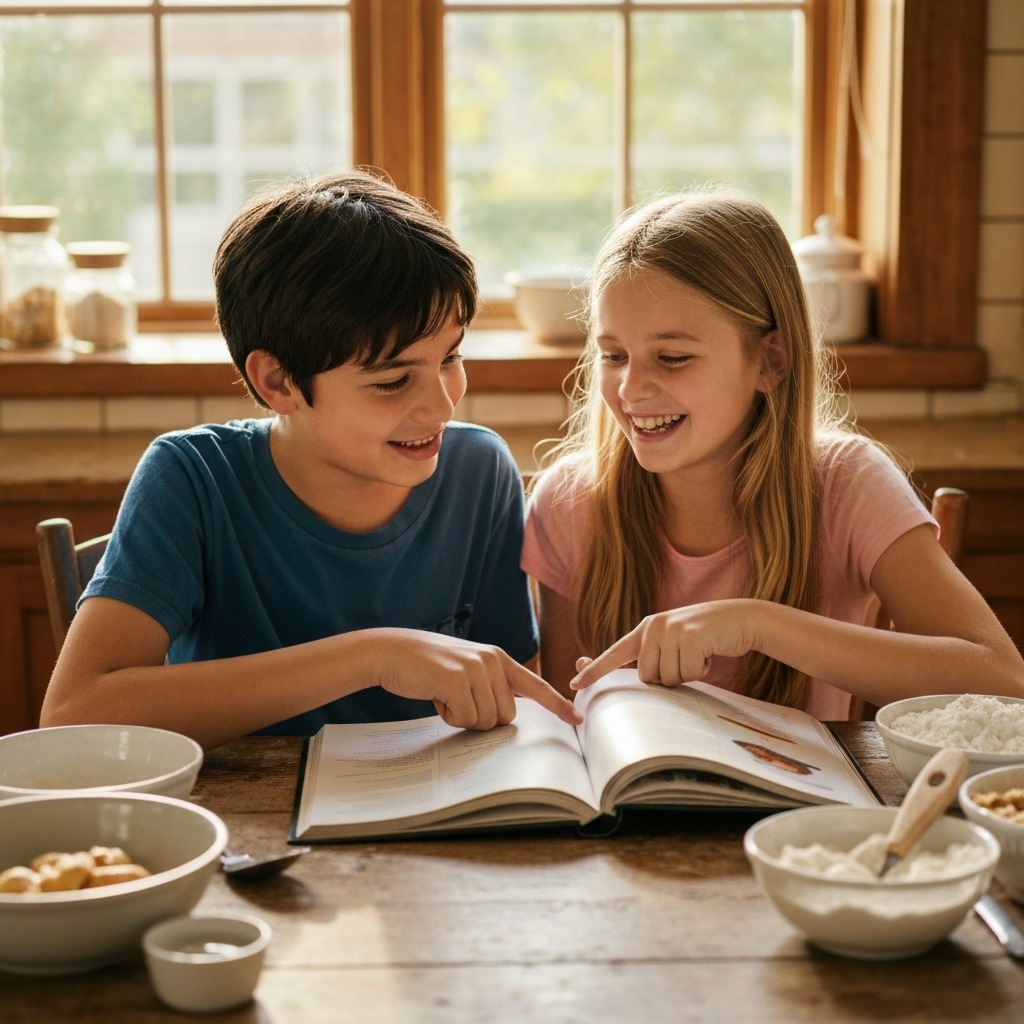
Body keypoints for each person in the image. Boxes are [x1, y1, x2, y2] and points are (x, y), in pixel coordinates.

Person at [40, 169, 581, 748]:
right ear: (278, 382)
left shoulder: (478, 471)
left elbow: (516, 694)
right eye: (394, 381)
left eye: (450, 357)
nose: (442, 405)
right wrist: (372, 655)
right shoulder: (192, 480)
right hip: (243, 828)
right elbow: (74, 712)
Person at [522, 187, 1024, 719]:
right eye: (613, 355)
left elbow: (1003, 683)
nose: (631, 388)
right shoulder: (569, 502)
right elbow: (569, 722)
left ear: (771, 361)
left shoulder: (847, 484)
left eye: (672, 358)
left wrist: (756, 624)